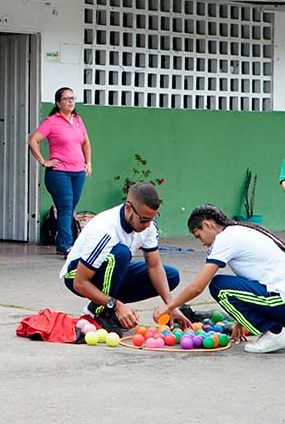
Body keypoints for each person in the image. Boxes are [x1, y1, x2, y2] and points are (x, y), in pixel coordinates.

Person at [153, 205, 285, 353]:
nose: (202, 243)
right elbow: (252, 278)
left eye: (199, 236)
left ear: (207, 224)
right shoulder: (239, 231)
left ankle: (276, 332)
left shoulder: (225, 238)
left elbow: (197, 287)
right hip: (278, 295)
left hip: (280, 299)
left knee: (219, 286)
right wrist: (241, 320)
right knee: (228, 285)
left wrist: (169, 306)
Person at [60, 182, 187, 334]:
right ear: (128, 208)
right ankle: (100, 312)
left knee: (170, 276)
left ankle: (103, 305)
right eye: (144, 220)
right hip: (77, 275)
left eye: (152, 219)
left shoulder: (149, 226)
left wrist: (170, 306)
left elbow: (154, 266)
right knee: (121, 253)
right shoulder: (106, 230)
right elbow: (79, 283)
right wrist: (117, 306)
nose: (148, 225)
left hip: (110, 270)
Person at [28, 87, 92, 255]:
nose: (71, 101)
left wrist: (88, 163)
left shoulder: (78, 120)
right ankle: (66, 245)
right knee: (65, 208)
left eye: (73, 98)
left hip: (78, 172)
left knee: (70, 207)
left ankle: (63, 243)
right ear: (58, 103)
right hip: (59, 173)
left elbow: (85, 142)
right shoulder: (51, 121)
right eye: (66, 98)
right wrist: (44, 161)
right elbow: (33, 141)